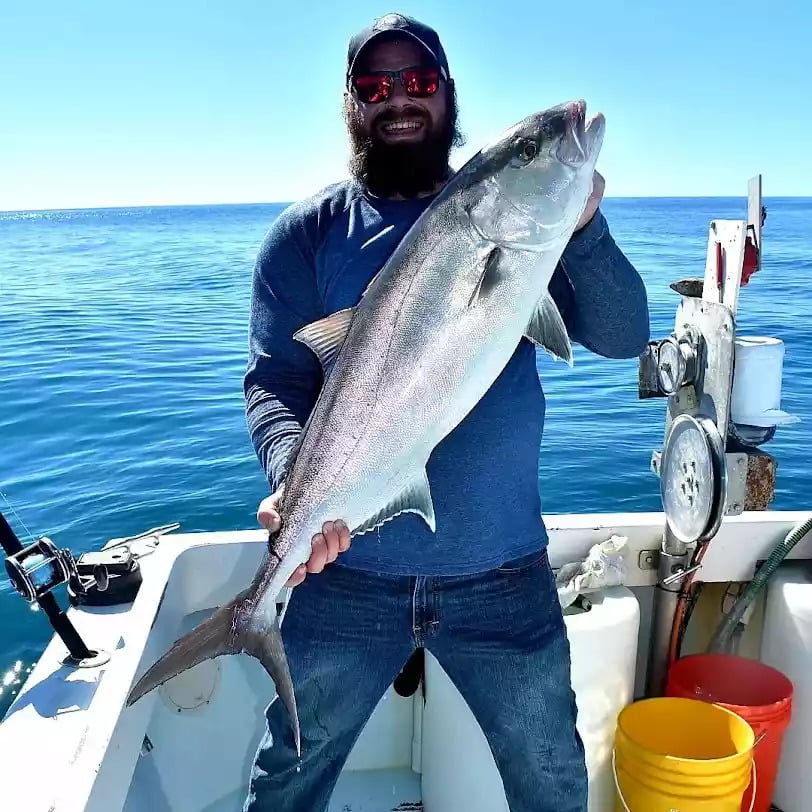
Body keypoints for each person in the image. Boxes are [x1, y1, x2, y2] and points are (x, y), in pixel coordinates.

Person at [242, 12, 649, 812]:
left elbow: (623, 334)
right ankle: (249, 617)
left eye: (419, 82)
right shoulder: (306, 236)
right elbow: (273, 383)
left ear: (449, 94)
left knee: (552, 779)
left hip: (503, 573)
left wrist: (585, 227)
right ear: (351, 104)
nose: (399, 99)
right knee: (288, 778)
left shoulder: (529, 234)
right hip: (347, 574)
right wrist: (295, 478)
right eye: (376, 85)